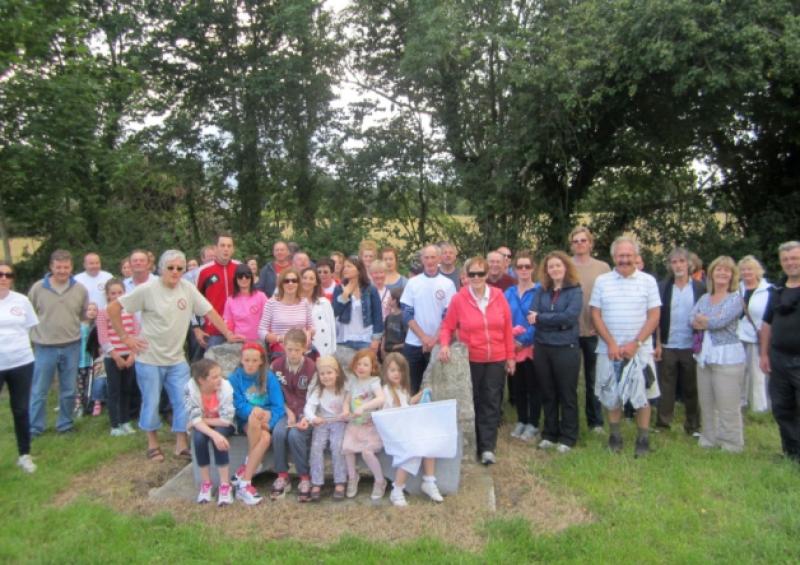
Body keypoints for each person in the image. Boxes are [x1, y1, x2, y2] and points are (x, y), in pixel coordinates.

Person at [109, 249, 242, 462]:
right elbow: (114, 309)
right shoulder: (147, 289)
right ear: (162, 268)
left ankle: (181, 443)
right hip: (149, 358)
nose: (175, 272)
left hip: (177, 359)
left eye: (180, 268)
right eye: (171, 267)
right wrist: (126, 338)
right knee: (151, 402)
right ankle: (153, 444)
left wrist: (227, 333)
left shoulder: (187, 289)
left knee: (184, 401)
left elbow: (209, 311)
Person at [439, 256, 515, 465]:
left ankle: (487, 447)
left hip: (496, 358)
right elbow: (447, 326)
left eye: (480, 273)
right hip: (471, 358)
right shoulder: (459, 299)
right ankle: (470, 444)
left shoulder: (498, 296)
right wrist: (445, 344)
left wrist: (510, 357)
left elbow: (507, 327)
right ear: (465, 276)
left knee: (491, 402)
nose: (476, 277)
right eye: (472, 274)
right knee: (473, 401)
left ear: (487, 274)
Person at [590, 236, 660, 457]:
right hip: (609, 350)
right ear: (613, 257)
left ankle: (643, 439)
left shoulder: (648, 281)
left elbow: (654, 315)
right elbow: (595, 314)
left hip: (639, 350)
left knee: (643, 396)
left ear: (636, 257)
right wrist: (611, 343)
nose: (624, 259)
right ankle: (615, 437)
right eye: (620, 255)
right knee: (612, 395)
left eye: (628, 255)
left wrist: (636, 343)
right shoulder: (602, 281)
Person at [28, 249, 88, 436]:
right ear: (51, 267)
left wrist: (89, 317)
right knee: (39, 390)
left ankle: (65, 424)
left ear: (71, 267)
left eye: (66, 267)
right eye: (58, 267)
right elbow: (28, 314)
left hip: (72, 345)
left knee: (69, 389)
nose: (62, 271)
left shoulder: (80, 289)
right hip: (44, 346)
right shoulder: (38, 288)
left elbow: (84, 315)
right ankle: (35, 427)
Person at [529, 251, 583, 453]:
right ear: (546, 270)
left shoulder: (575, 290)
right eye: (551, 266)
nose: (554, 269)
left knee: (566, 393)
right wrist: (552, 320)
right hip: (543, 347)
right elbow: (531, 315)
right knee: (548, 392)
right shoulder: (541, 290)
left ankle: (568, 437)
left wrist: (543, 318)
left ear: (566, 267)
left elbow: (569, 318)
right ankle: (550, 433)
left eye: (558, 266)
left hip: (566, 348)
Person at [691, 256, 745, 452]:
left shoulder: (736, 298)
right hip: (705, 355)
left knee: (727, 403)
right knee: (706, 400)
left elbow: (719, 322)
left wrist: (705, 320)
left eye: (727, 270)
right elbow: (692, 318)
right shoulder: (704, 298)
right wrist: (707, 320)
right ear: (711, 273)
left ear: (732, 276)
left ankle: (731, 443)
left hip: (727, 357)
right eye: (718, 269)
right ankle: (709, 438)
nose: (722, 273)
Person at [381, 352, 443, 506]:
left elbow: (407, 404)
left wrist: (422, 394)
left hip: (405, 430)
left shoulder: (401, 390)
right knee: (413, 452)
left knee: (430, 442)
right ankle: (397, 490)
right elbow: (389, 415)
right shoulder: (386, 392)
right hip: (394, 433)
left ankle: (429, 481)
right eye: (393, 370)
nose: (397, 374)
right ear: (386, 372)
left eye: (400, 370)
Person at [654, 247, 705, 434]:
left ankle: (693, 426)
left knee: (692, 387)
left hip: (691, 345)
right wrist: (658, 343)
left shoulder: (700, 287)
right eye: (674, 262)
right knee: (666, 387)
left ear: (689, 264)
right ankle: (662, 424)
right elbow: (657, 317)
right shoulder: (663, 287)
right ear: (669, 265)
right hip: (668, 344)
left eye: (681, 261)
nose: (678, 265)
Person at [229, 342, 284, 506]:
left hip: (267, 420)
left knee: (266, 436)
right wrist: (254, 411)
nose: (251, 364)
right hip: (247, 420)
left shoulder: (269, 377)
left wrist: (270, 422)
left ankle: (245, 477)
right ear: (241, 360)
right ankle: (247, 479)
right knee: (260, 430)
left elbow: (278, 406)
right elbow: (238, 405)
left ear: (261, 361)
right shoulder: (235, 378)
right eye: (247, 360)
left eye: (254, 360)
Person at [760, 241, 800, 463]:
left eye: (795, 258)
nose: (790, 263)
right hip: (779, 359)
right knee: (782, 408)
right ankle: (791, 453)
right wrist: (764, 355)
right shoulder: (777, 290)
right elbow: (767, 324)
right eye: (786, 259)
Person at [401, 245, 457, 393]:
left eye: (433, 257)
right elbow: (407, 313)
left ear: (439, 259)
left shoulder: (447, 284)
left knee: (435, 389)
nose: (430, 261)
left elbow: (449, 316)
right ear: (422, 260)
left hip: (438, 345)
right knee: (411, 388)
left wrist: (433, 340)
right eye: (426, 257)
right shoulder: (412, 283)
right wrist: (424, 338)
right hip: (413, 343)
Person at [570, 226, 610, 434]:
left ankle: (595, 421)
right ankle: (571, 419)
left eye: (583, 240)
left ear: (590, 243)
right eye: (576, 241)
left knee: (593, 377)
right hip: (571, 331)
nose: (579, 244)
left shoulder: (602, 268)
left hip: (595, 330)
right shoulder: (566, 266)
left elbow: (610, 298)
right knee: (571, 378)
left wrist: (603, 324)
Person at [0, 261, 39, 473]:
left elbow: (29, 328)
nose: (4, 278)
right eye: (0, 274)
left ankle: (24, 454)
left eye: (8, 275)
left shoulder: (21, 301)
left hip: (21, 361)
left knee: (21, 409)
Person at [269, 329, 315, 501]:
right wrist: (288, 412)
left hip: (306, 412)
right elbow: (274, 393)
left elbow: (313, 396)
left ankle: (304, 477)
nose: (293, 353)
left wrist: (304, 416)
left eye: (297, 349)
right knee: (279, 432)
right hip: (284, 410)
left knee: (295, 434)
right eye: (289, 349)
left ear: (304, 348)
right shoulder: (276, 366)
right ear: (283, 347)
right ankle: (282, 475)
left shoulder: (311, 367)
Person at [184, 358, 235, 506]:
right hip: (206, 424)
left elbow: (226, 420)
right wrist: (212, 432)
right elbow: (194, 416)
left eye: (220, 375)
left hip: (222, 422)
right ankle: (206, 483)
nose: (219, 379)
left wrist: (201, 421)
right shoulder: (190, 389)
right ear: (201, 380)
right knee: (199, 438)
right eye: (214, 377)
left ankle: (225, 485)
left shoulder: (226, 387)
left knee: (217, 440)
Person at [504, 250, 541, 442]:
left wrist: (523, 340)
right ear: (514, 269)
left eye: (527, 266)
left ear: (533, 268)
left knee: (533, 386)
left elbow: (538, 320)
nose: (524, 270)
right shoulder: (508, 292)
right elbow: (502, 318)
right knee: (518, 386)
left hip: (532, 346)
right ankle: (521, 419)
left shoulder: (540, 291)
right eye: (520, 266)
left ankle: (533, 423)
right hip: (512, 346)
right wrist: (510, 341)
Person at [96, 279, 139, 436]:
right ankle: (115, 425)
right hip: (113, 357)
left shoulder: (129, 310)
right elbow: (103, 337)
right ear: (107, 295)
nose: (116, 296)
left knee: (127, 389)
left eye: (119, 292)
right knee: (114, 390)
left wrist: (133, 354)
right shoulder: (103, 312)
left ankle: (125, 420)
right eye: (113, 293)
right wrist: (115, 356)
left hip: (129, 355)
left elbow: (135, 332)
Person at [342, 349, 386, 499]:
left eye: (365, 364)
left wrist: (363, 407)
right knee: (347, 449)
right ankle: (353, 478)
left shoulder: (374, 382)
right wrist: (346, 410)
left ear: (372, 367)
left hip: (369, 426)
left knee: (367, 453)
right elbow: (347, 400)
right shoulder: (352, 381)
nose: (361, 367)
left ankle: (380, 481)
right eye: (358, 364)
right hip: (354, 425)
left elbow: (380, 399)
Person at [304, 355, 349, 501]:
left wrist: (345, 414)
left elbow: (351, 405)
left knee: (337, 446)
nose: (326, 377)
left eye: (329, 373)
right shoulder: (318, 390)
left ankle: (340, 481)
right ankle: (316, 482)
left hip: (339, 422)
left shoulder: (343, 389)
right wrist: (313, 418)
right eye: (322, 374)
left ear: (337, 372)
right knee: (316, 447)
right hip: (322, 422)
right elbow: (308, 408)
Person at [737, 255, 771, 413]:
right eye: (743, 269)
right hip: (738, 336)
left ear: (757, 271)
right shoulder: (737, 289)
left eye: (749, 269)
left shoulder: (768, 290)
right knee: (739, 372)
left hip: (757, 337)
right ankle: (741, 403)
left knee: (757, 373)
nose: (746, 272)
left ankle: (759, 407)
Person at [194, 234, 239, 349]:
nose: (226, 249)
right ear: (215, 248)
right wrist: (196, 327)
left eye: (229, 246)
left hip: (238, 329)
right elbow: (194, 301)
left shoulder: (239, 268)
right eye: (222, 245)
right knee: (213, 365)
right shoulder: (204, 271)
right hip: (213, 330)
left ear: (233, 249)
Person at [257, 268, 312, 358]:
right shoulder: (271, 303)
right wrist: (279, 338)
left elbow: (311, 327)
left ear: (298, 284)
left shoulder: (304, 302)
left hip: (302, 349)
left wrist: (309, 334)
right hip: (280, 350)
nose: (290, 284)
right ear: (281, 284)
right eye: (286, 281)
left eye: (294, 281)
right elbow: (261, 330)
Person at [333, 257, 384, 353]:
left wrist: (376, 339)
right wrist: (344, 296)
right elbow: (335, 312)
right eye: (344, 267)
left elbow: (377, 315)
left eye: (349, 266)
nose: (345, 269)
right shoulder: (339, 288)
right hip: (345, 338)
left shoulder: (370, 289)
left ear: (359, 270)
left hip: (365, 339)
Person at [223, 263, 268, 342]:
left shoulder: (261, 296)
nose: (244, 279)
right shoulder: (230, 300)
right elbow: (229, 323)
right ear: (235, 279)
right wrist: (230, 335)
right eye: (240, 276)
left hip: (258, 341)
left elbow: (268, 319)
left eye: (247, 276)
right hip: (238, 341)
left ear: (251, 278)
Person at [299, 267, 337, 357]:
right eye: (304, 278)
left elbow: (332, 329)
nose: (307, 281)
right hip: (301, 349)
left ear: (316, 282)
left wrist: (332, 352)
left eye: (311, 278)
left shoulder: (324, 303)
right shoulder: (294, 302)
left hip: (323, 350)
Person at [77, 302, 99, 417]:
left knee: (93, 382)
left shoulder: (98, 326)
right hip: (82, 360)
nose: (91, 311)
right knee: (81, 383)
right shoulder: (81, 326)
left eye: (94, 309)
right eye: (89, 309)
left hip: (93, 359)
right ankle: (80, 404)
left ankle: (94, 403)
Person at [382, 288, 407, 358]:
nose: (387, 299)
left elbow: (407, 340)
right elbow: (385, 334)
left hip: (399, 354)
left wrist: (394, 347)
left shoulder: (404, 318)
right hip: (387, 353)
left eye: (389, 297)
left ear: (394, 300)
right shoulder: (388, 317)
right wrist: (382, 349)